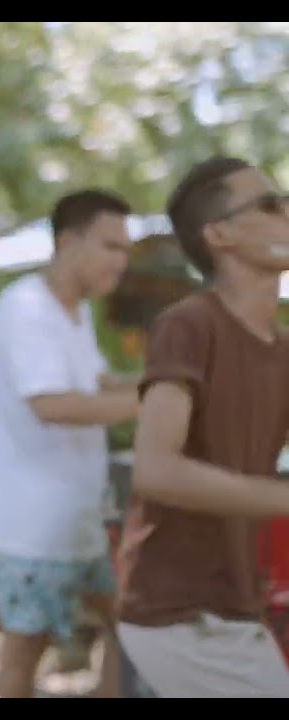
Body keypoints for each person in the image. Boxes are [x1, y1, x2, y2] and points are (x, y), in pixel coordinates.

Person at [116, 156, 289, 697]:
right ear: (220, 235)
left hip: (234, 606)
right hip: (178, 614)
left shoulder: (282, 349)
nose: (287, 212)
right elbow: (156, 470)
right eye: (269, 204)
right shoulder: (188, 325)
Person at [0, 189, 140, 697]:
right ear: (68, 242)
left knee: (130, 628)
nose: (122, 261)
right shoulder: (26, 308)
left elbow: (102, 385)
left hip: (81, 517)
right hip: (34, 526)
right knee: (23, 659)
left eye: (125, 249)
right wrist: (155, 402)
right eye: (111, 246)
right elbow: (54, 405)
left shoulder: (76, 312)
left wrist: (175, 381)